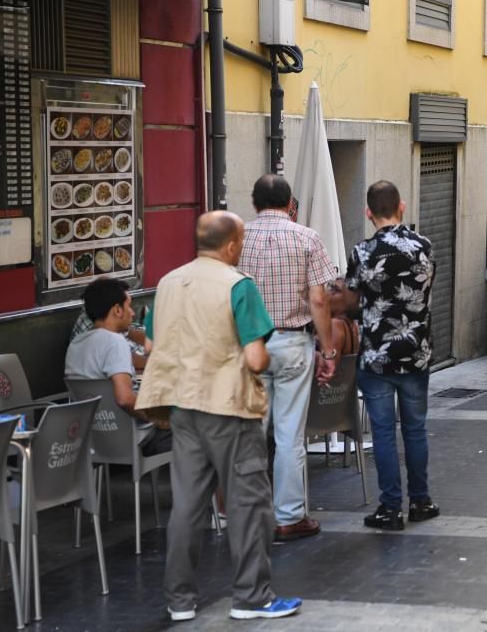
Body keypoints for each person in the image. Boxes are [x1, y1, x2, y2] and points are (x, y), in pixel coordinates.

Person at [136, 211, 302, 622]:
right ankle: (252, 597)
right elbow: (256, 356)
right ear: (230, 246)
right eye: (241, 243)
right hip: (229, 408)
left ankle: (180, 602)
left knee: (187, 506)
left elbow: (153, 344)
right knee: (248, 504)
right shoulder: (238, 285)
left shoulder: (169, 282)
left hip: (182, 408)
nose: (240, 250)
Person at [238, 174, 338, 542]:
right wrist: (328, 350)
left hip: (249, 345)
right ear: (290, 203)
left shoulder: (238, 237)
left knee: (250, 432)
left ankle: (244, 512)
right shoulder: (307, 237)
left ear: (254, 203)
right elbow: (319, 299)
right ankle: (289, 516)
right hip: (293, 342)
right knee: (289, 434)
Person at [345, 180, 440, 532]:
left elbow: (352, 298)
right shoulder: (425, 246)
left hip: (377, 356)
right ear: (401, 206)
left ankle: (389, 509)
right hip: (417, 352)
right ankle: (421, 500)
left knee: (383, 432)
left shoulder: (362, 251)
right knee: (415, 429)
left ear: (369, 212)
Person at [64, 278, 171, 456]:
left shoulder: (76, 344)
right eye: (129, 307)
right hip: (135, 439)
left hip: (93, 440)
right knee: (196, 429)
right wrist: (159, 419)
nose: (133, 314)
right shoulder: (115, 342)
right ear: (117, 310)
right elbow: (125, 398)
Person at [70, 309, 149, 370]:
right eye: (127, 306)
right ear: (117, 309)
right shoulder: (111, 339)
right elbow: (128, 360)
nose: (132, 312)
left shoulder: (76, 342)